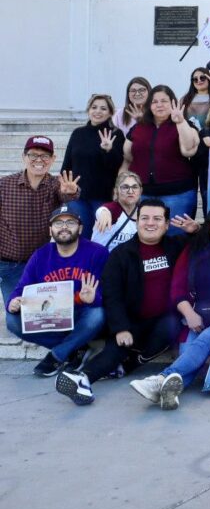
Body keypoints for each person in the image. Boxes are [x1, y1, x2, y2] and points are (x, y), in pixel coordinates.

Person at [129, 204, 210, 410]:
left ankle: (159, 379)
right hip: (197, 316)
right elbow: (177, 287)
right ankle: (166, 391)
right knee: (188, 355)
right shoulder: (195, 247)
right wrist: (189, 313)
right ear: (208, 224)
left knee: (205, 340)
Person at [55, 200, 184, 406]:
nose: (150, 223)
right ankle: (83, 379)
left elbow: (207, 241)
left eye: (157, 219)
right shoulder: (121, 254)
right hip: (132, 319)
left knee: (172, 324)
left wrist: (196, 229)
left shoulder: (176, 246)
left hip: (163, 321)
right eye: (145, 218)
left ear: (167, 224)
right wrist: (121, 327)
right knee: (117, 347)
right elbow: (111, 294)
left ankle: (132, 363)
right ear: (137, 221)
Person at [5, 205, 107, 378]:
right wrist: (13, 302)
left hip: (81, 314)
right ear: (50, 229)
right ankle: (73, 350)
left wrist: (94, 298)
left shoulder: (97, 252)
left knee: (97, 314)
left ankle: (56, 356)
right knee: (12, 320)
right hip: (51, 316)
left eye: (70, 222)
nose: (64, 227)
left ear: (80, 228)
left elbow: (109, 293)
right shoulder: (40, 255)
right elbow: (20, 289)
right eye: (58, 223)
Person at [0, 136, 81, 303]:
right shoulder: (4, 185)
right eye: (33, 155)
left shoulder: (55, 184)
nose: (39, 160)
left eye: (45, 156)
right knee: (16, 314)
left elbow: (67, 196)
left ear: (52, 160)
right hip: (10, 265)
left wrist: (71, 192)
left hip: (44, 263)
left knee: (43, 312)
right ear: (24, 157)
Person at [121, 85, 200, 231]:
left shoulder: (185, 124)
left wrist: (180, 122)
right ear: (149, 105)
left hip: (178, 194)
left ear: (173, 103)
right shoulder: (139, 127)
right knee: (144, 237)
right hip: (143, 194)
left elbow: (189, 150)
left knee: (175, 239)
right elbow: (128, 155)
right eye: (155, 101)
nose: (159, 105)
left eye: (164, 101)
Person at [62, 93, 125, 239]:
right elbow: (67, 163)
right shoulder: (78, 133)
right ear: (88, 110)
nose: (98, 111)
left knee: (101, 236)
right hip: (78, 195)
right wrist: (65, 188)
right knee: (80, 235)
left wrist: (108, 150)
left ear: (110, 112)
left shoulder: (116, 134)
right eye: (94, 107)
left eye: (103, 108)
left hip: (103, 196)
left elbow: (116, 166)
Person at [92, 171, 144, 250]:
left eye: (135, 187)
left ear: (140, 191)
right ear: (116, 191)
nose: (130, 191)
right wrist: (103, 213)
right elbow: (103, 210)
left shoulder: (142, 214)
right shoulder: (113, 209)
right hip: (103, 259)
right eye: (125, 187)